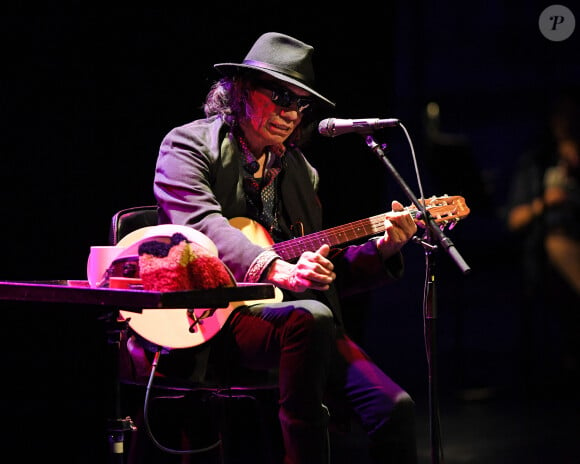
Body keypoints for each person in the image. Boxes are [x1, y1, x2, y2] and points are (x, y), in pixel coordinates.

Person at [150, 32, 419, 464]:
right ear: (239, 91)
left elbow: (323, 269)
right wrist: (274, 267)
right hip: (211, 319)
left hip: (294, 321)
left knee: (393, 409)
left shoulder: (300, 171)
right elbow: (201, 225)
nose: (290, 113)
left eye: (299, 103)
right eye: (279, 96)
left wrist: (384, 248)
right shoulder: (188, 146)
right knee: (310, 318)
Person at [505, 87, 580, 384]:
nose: (568, 124)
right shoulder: (536, 163)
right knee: (558, 244)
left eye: (574, 117)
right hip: (549, 248)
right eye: (563, 117)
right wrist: (545, 202)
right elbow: (514, 219)